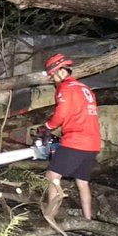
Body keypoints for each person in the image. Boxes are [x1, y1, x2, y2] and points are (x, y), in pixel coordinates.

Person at [41, 52, 102, 220]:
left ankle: (50, 218)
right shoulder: (85, 88)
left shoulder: (65, 88)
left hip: (76, 141)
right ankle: (88, 221)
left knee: (52, 176)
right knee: (82, 182)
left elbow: (61, 114)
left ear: (60, 71)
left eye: (52, 75)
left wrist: (47, 127)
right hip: (93, 143)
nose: (53, 79)